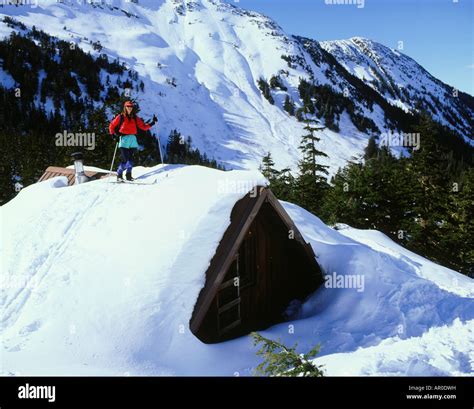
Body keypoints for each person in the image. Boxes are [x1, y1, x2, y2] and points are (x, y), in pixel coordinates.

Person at [108, 101, 158, 181]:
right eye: (128, 106)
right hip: (123, 139)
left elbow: (143, 127)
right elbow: (111, 126)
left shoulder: (135, 117)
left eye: (131, 107)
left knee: (130, 159)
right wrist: (113, 135)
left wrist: (153, 123)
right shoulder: (120, 117)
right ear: (125, 107)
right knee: (125, 159)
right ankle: (119, 174)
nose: (129, 108)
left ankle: (128, 175)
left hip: (132, 139)